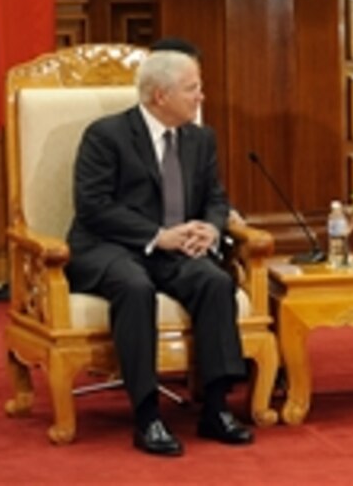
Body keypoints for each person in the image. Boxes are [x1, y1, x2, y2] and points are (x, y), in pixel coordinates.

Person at [65, 49, 253, 455]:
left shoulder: (200, 139)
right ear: (159, 96)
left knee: (215, 281)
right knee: (135, 287)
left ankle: (216, 408)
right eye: (192, 89)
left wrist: (211, 227)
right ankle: (147, 415)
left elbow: (217, 199)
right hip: (109, 247)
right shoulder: (106, 135)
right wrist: (157, 234)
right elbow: (93, 207)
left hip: (174, 251)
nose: (201, 97)